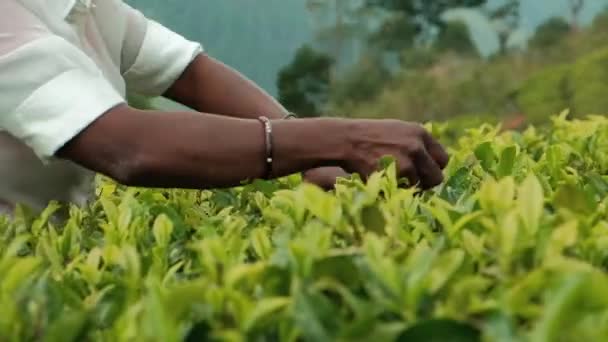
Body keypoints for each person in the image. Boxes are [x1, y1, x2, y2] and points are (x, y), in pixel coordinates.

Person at [0, 0, 449, 215]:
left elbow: (186, 71)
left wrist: (314, 155)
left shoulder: (85, 6)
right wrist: (344, 139)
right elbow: (126, 147)